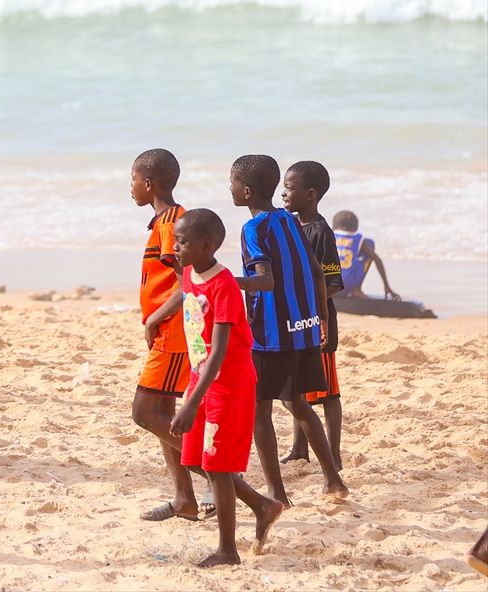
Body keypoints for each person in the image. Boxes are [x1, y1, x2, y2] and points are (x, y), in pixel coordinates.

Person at [229, 154, 348, 506]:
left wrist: (224, 280)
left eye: (232, 183)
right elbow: (316, 271)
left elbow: (265, 281)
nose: (229, 188)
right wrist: (320, 317)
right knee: (298, 404)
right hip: (303, 329)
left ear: (246, 191)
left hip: (270, 336)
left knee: (259, 411)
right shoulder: (289, 220)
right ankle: (334, 481)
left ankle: (277, 493)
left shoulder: (253, 229)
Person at [169, 208, 283, 567]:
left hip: (228, 385)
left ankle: (228, 551)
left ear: (207, 246)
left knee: (217, 466)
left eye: (182, 243)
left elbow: (219, 351)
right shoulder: (190, 273)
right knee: (195, 459)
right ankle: (261, 505)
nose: (175, 248)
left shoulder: (225, 286)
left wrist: (190, 403)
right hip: (201, 380)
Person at [129, 149, 212, 522]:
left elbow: (186, 283)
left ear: (149, 183)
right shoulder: (166, 220)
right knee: (163, 413)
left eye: (133, 180)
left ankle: (220, 475)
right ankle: (184, 500)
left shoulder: (172, 223)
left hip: (174, 333)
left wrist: (154, 319)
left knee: (145, 412)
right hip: (168, 330)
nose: (130, 187)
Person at [280, 161, 344, 469]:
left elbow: (333, 282)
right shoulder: (290, 226)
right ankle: (299, 449)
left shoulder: (320, 231)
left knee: (328, 393)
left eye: (289, 188)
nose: (283, 193)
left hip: (320, 322)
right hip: (297, 322)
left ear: (311, 194)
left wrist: (307, 304)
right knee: (298, 388)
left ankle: (335, 454)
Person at [332, 210, 400, 300]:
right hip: (348, 285)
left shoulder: (328, 236)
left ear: (334, 225)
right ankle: (356, 290)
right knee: (370, 243)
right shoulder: (359, 239)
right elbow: (377, 260)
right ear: (355, 227)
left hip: (329, 284)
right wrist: (386, 286)